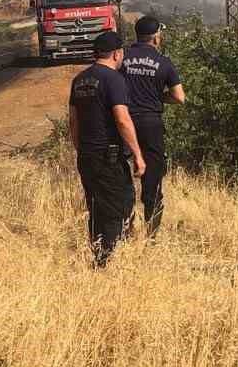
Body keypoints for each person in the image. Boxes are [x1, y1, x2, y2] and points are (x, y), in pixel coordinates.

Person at [68, 31, 146, 266]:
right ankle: (107, 262)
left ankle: (98, 252)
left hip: (87, 155)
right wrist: (138, 155)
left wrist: (80, 148)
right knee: (119, 204)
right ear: (116, 53)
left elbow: (73, 121)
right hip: (108, 156)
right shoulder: (113, 79)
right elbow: (122, 120)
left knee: (96, 206)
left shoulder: (79, 79)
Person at [121, 15, 185, 237]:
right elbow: (179, 97)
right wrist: (158, 97)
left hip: (123, 122)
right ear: (156, 36)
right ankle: (152, 233)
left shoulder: (122, 58)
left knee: (121, 175)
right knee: (153, 180)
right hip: (150, 123)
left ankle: (123, 228)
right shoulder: (164, 62)